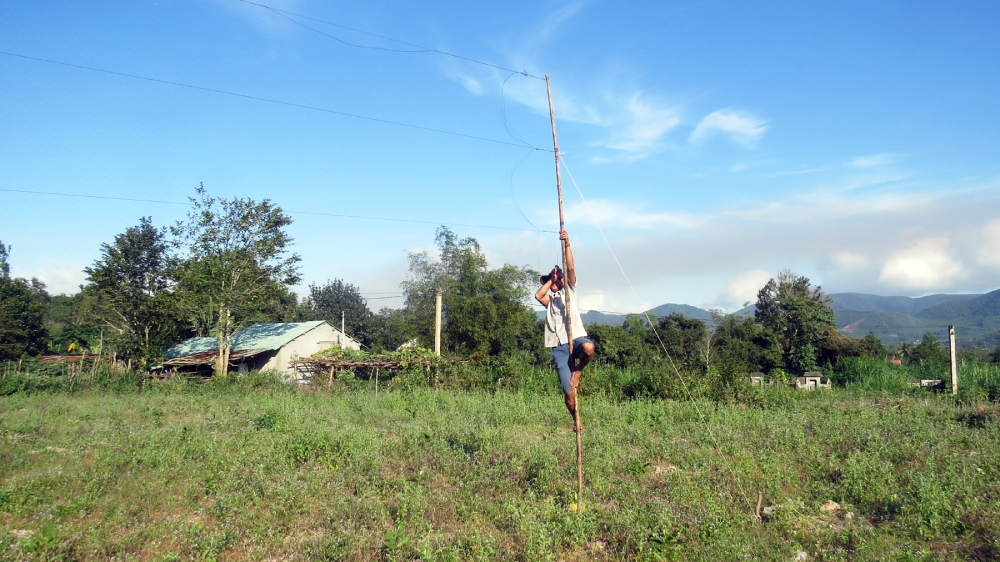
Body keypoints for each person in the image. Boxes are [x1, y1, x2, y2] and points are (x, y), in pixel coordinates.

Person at [535, 230, 595, 432]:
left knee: (588, 348)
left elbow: (571, 267)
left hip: (575, 338)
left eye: (554, 280)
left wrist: (567, 244)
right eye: (549, 281)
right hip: (558, 347)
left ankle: (578, 370)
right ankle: (576, 421)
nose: (550, 283)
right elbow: (538, 295)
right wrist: (552, 279)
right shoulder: (549, 301)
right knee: (569, 394)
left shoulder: (569, 291)